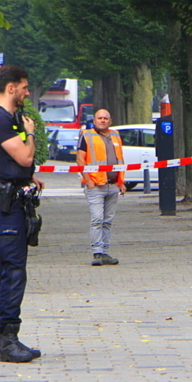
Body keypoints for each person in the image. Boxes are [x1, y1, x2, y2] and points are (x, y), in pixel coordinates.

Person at [0, 64, 45, 363]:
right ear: (11, 88)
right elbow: (24, 155)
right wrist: (30, 135)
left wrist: (27, 178)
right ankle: (6, 340)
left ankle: (9, 336)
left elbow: (16, 163)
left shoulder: (7, 118)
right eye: (24, 87)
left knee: (12, 268)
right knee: (13, 269)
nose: (27, 92)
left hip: (14, 197)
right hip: (6, 204)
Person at [76, 109, 126, 266]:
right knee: (97, 219)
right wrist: (87, 180)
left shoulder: (116, 135)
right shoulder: (87, 135)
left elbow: (120, 159)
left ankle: (105, 252)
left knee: (108, 220)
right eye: (100, 118)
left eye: (106, 118)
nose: (103, 120)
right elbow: (80, 159)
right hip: (96, 185)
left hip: (113, 185)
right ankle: (97, 253)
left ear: (110, 121)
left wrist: (121, 182)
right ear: (94, 120)